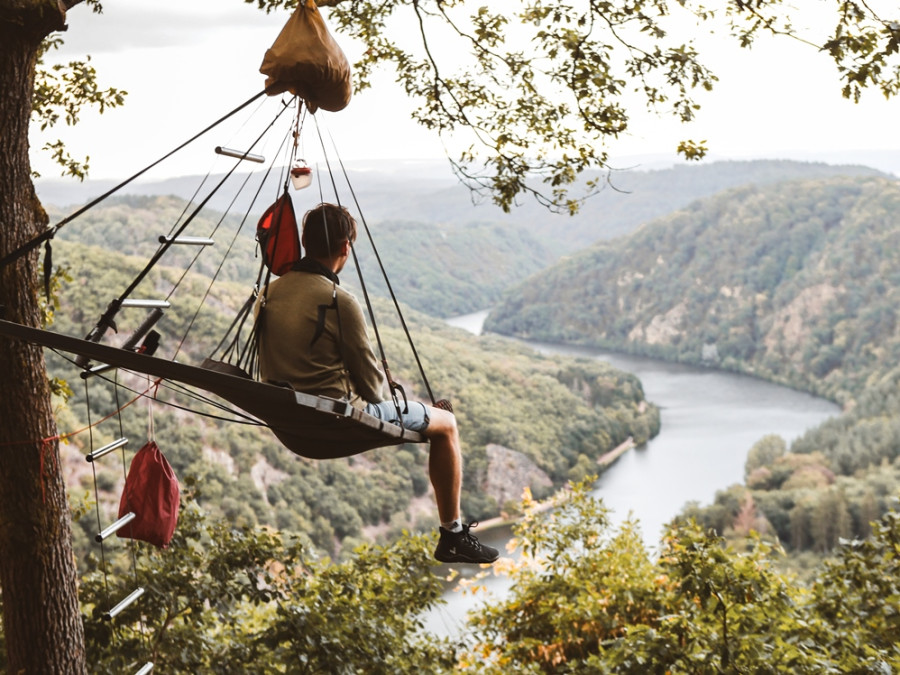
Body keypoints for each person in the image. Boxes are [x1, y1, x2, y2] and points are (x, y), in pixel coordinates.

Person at [256, 202, 498, 564]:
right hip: (337, 421)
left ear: (305, 243)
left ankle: (430, 421)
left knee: (430, 415)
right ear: (345, 248)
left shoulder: (268, 294)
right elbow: (373, 391)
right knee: (446, 425)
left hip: (288, 423)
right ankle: (453, 534)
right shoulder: (338, 300)